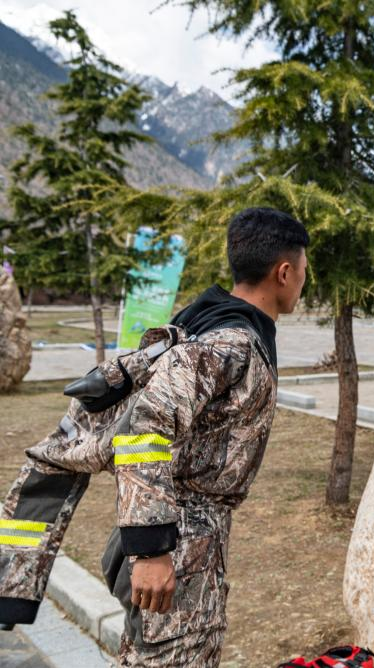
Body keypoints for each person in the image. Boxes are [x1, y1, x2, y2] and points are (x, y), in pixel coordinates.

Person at [0, 207, 309, 666]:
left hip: (181, 539)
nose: (304, 281)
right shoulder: (229, 343)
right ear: (284, 273)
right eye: (304, 270)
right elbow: (146, 427)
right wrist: (150, 550)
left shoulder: (208, 325)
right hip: (175, 547)